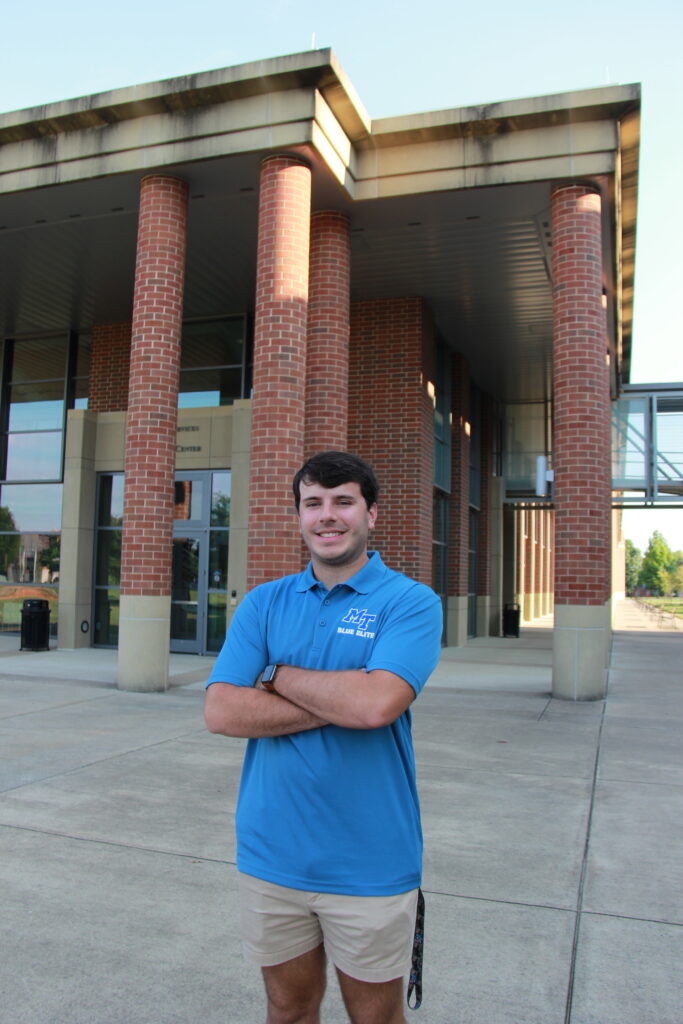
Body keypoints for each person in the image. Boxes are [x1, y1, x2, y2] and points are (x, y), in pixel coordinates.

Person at [204, 451, 443, 1024]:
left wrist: (276, 676)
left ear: (371, 514)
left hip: (369, 859)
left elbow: (377, 704)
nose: (327, 516)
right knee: (287, 1009)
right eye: (313, 503)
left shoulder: (410, 603)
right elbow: (221, 711)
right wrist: (345, 698)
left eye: (343, 502)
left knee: (376, 1017)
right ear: (299, 516)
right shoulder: (264, 603)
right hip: (271, 854)